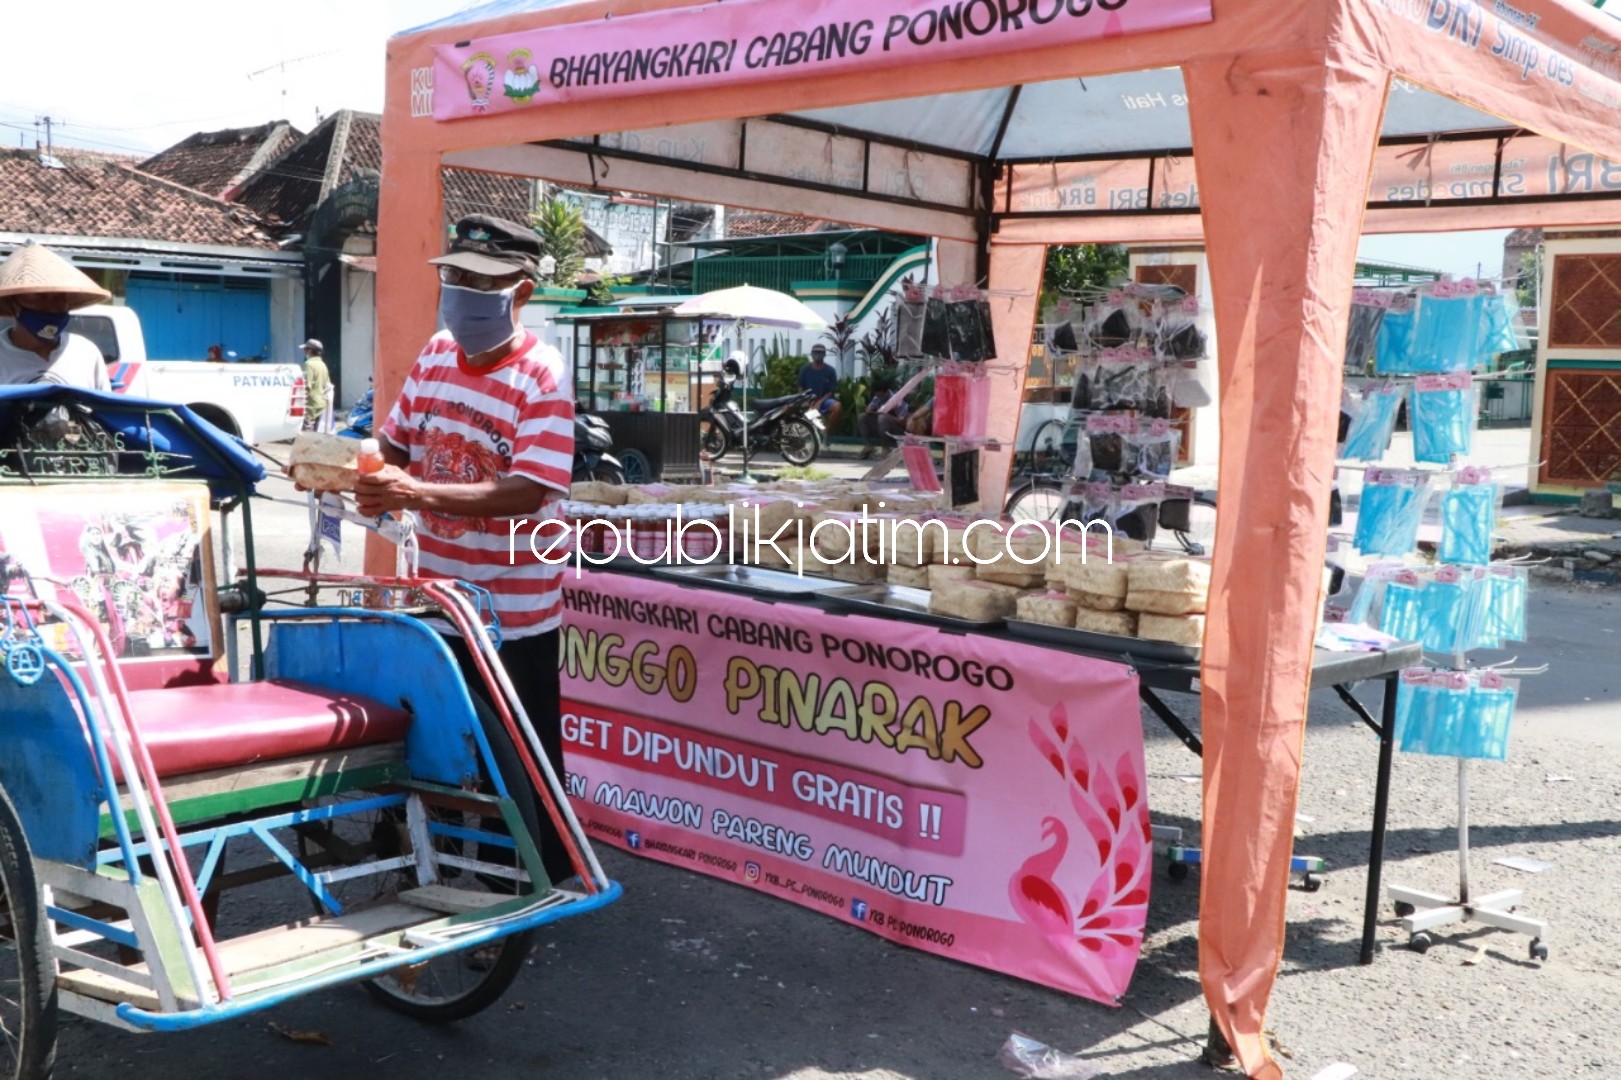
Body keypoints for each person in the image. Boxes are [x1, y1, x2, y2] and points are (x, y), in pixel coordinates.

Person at [355, 214, 576, 885]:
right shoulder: (436, 352)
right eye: (454, 276)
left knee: (518, 751)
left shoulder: (542, 373)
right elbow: (395, 438)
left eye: (482, 282)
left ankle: (516, 885)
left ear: (522, 292)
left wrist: (414, 493)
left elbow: (529, 491)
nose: (461, 292)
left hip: (515, 607)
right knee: (437, 737)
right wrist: (370, 470)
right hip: (444, 595)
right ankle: (428, 862)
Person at [0, 241, 113, 390]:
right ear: (12, 303)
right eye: (40, 298)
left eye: (60, 298)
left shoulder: (86, 353)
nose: (52, 308)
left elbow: (102, 411)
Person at [857, 380, 910, 459]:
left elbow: (902, 422)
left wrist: (887, 415)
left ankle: (886, 447)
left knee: (883, 418)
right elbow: (870, 408)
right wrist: (869, 410)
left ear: (884, 391)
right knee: (862, 417)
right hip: (880, 428)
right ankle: (868, 445)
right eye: (875, 393)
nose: (876, 395)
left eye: (878, 393)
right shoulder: (877, 398)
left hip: (896, 430)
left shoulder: (897, 400)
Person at [797, 344, 842, 432]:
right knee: (808, 413)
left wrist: (819, 402)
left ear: (824, 354)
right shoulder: (804, 369)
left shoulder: (830, 370)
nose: (818, 354)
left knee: (837, 407)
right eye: (816, 352)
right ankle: (811, 433)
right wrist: (806, 401)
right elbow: (800, 388)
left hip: (824, 401)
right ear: (812, 354)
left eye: (821, 352)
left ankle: (825, 432)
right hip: (808, 401)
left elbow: (831, 391)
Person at [300, 338, 332, 431]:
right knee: (315, 432)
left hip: (310, 405)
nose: (304, 351)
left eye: (305, 349)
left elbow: (306, 386)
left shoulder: (308, 364)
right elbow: (328, 385)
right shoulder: (323, 364)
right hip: (320, 404)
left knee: (307, 434)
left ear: (309, 350)